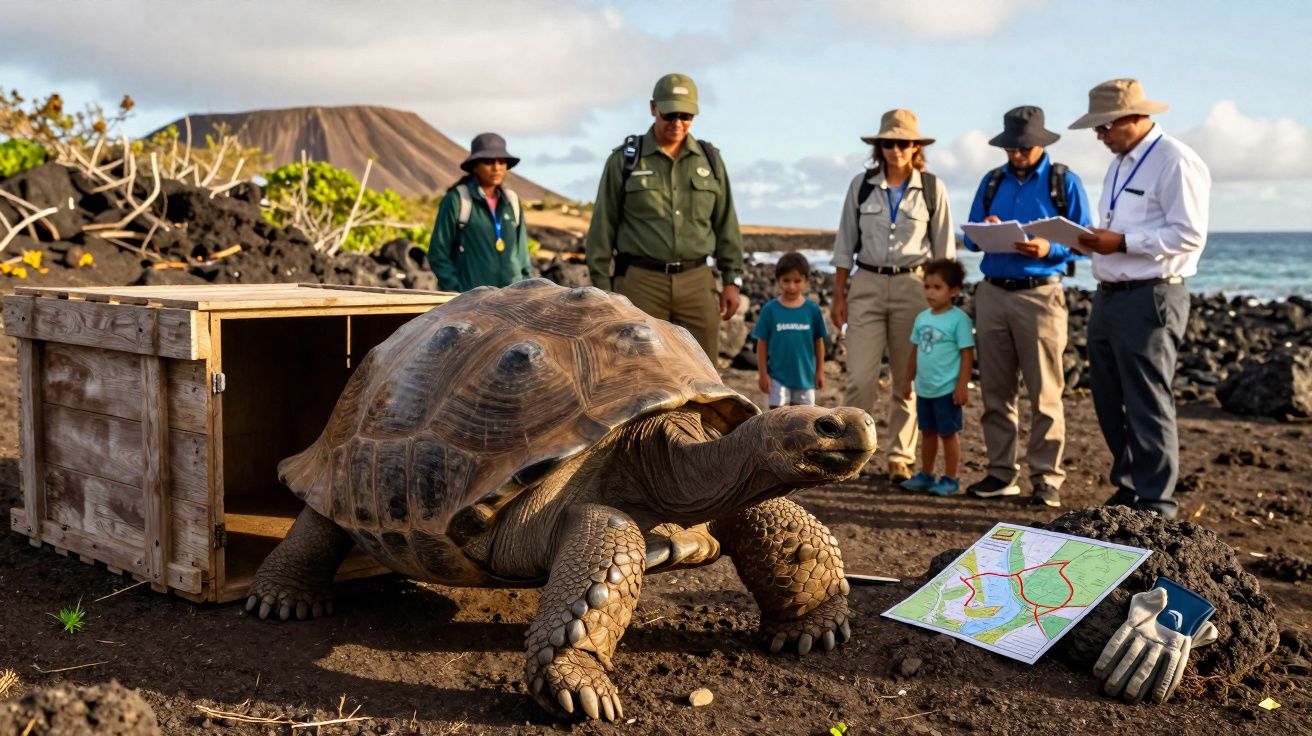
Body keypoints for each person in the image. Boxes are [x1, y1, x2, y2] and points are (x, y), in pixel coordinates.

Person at [1070, 79, 1211, 519]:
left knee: (1148, 399)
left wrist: (1124, 242)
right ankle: (1130, 489)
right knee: (1108, 396)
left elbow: (1190, 234)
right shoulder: (1120, 162)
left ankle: (1157, 501)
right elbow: (1117, 229)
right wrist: (1093, 242)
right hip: (1110, 294)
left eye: (1104, 126)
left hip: (1151, 295)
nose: (1099, 135)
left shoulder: (1175, 161)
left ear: (1132, 118)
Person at [962, 106, 1093, 509]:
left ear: (1040, 144)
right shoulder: (992, 181)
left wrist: (1047, 247)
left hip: (1041, 295)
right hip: (992, 293)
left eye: (1025, 147)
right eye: (1012, 148)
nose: (1017, 154)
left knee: (1045, 392)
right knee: (995, 391)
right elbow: (968, 239)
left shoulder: (1064, 181)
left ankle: (1047, 478)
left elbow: (1086, 240)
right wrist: (988, 229)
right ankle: (1002, 473)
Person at [830, 109, 954, 482]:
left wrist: (944, 308)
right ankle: (851, 453)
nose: (895, 149)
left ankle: (901, 457)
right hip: (865, 284)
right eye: (888, 143)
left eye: (903, 142)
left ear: (916, 146)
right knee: (860, 378)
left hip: (914, 288)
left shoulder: (933, 189)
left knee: (907, 379)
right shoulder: (861, 185)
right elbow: (843, 245)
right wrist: (839, 296)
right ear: (879, 146)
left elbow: (945, 253)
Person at [585, 73, 744, 360]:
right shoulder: (624, 161)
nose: (678, 123)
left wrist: (732, 280)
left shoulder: (710, 160)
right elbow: (602, 228)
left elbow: (726, 223)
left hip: (697, 283)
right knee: (637, 372)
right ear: (653, 108)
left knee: (703, 372)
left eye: (686, 115)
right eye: (670, 114)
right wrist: (602, 292)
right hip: (640, 284)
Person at [898, 259, 974, 497]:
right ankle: (927, 474)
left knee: (948, 434)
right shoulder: (922, 318)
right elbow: (914, 352)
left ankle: (951, 479)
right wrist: (907, 381)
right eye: (927, 286)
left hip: (947, 390)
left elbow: (967, 354)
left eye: (937, 287)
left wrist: (962, 385)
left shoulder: (959, 319)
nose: (930, 292)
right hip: (925, 388)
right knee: (927, 432)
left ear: (954, 291)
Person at [427, 133, 530, 292]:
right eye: (489, 161)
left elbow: (523, 256)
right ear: (475, 166)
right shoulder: (457, 199)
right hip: (472, 303)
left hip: (512, 302)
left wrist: (526, 290)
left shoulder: (512, 201)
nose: (496, 167)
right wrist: (458, 291)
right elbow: (437, 254)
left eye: (501, 162)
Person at [752, 252, 829, 409]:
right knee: (775, 420)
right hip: (777, 377)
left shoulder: (812, 310)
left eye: (797, 281)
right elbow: (762, 343)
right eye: (786, 281)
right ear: (778, 281)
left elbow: (819, 342)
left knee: (803, 420)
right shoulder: (769, 310)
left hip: (805, 378)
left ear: (806, 281)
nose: (791, 286)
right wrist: (762, 374)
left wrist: (820, 370)